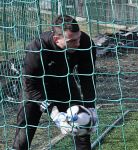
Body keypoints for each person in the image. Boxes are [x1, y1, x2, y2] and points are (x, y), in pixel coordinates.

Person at [13, 15, 97, 150]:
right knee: (24, 136)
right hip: (36, 89)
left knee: (82, 128)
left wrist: (90, 108)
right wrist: (54, 113)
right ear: (57, 39)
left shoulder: (85, 43)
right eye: (71, 41)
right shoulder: (37, 48)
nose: (78, 44)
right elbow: (30, 85)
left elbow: (87, 77)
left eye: (78, 38)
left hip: (64, 84)